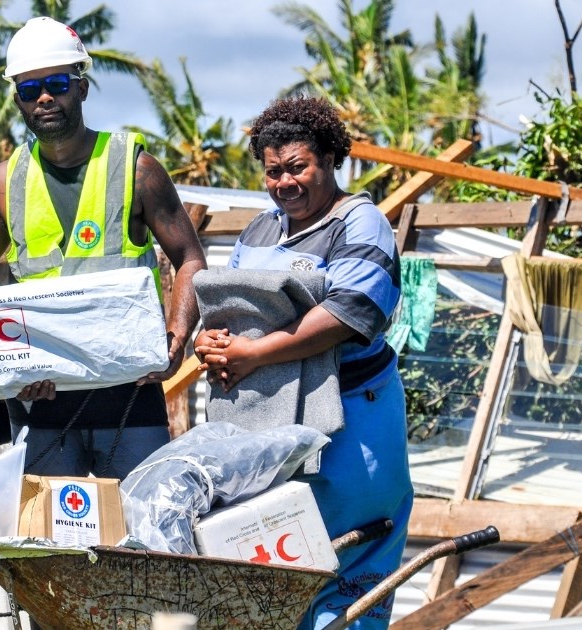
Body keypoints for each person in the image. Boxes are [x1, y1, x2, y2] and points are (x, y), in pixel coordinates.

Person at [194, 96, 413, 629]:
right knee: (276, 556)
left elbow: (350, 312)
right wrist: (215, 342)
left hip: (354, 417)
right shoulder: (261, 230)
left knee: (351, 556)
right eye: (273, 172)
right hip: (270, 422)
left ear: (330, 159)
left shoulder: (359, 222)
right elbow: (232, 303)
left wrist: (253, 353)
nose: (284, 183)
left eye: (297, 167)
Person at [0, 16, 207, 480]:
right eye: (29, 89)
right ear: (17, 99)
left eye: (56, 83)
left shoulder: (136, 168)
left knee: (141, 537)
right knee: (51, 543)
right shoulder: (4, 181)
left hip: (128, 393)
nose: (44, 98)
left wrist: (176, 340)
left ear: (82, 87)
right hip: (42, 399)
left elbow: (190, 258)